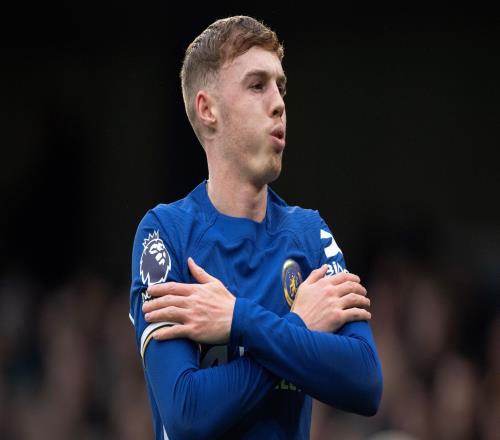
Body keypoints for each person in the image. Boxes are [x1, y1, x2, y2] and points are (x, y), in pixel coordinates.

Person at [129, 15, 383, 439]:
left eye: (280, 86)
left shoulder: (310, 235)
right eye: (257, 85)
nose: (278, 102)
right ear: (208, 109)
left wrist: (239, 320)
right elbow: (187, 412)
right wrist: (298, 328)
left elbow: (365, 382)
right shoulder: (165, 235)